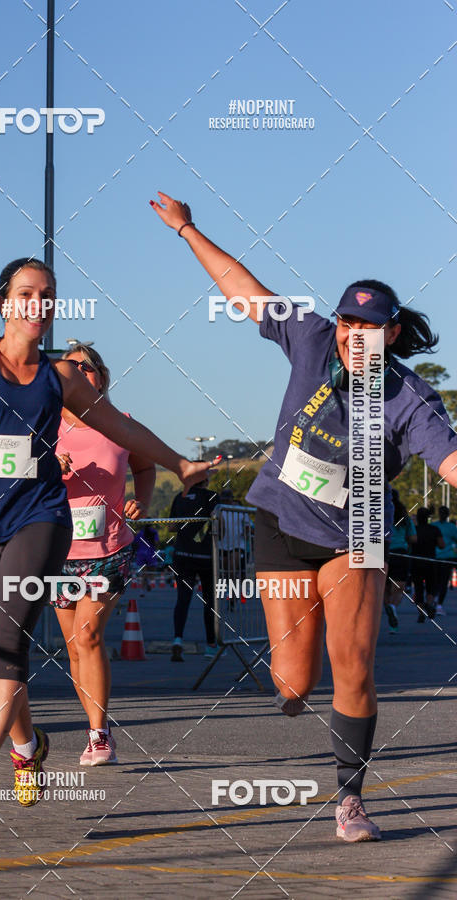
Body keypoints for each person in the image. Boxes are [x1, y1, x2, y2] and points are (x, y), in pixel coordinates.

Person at [0, 156, 216, 814]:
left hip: (39, 521)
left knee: (10, 639)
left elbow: (126, 434)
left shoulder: (63, 379)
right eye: (28, 293)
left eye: (48, 294)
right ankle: (26, 747)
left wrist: (181, 465)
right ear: (5, 303)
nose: (39, 303)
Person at [151, 190, 457, 842]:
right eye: (348, 322)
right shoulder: (312, 337)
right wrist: (187, 230)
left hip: (355, 538)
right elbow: (247, 291)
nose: (354, 335)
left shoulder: (412, 399)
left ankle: (350, 801)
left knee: (354, 663)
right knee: (293, 682)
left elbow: (451, 464)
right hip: (280, 525)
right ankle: (296, 669)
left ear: (391, 334)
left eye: (369, 327)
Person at [51, 343, 155, 766]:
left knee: (89, 636)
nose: (78, 371)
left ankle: (100, 735)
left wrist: (141, 502)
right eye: (69, 367)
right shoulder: (43, 425)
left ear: (100, 377)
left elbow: (145, 466)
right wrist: (46, 467)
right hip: (57, 549)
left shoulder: (121, 424)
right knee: (75, 648)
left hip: (109, 547)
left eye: (86, 367)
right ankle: (93, 726)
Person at [169, 477, 220, 661]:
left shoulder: (179, 496)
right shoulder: (213, 496)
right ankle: (211, 645)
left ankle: (177, 640)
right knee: (209, 601)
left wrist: (186, 528)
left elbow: (172, 526)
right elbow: (219, 523)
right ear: (206, 480)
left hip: (182, 554)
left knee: (182, 599)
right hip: (206, 555)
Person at [384, 490, 416, 632]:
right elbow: (413, 538)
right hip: (401, 553)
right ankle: (393, 607)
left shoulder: (378, 513)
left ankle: (388, 610)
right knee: (399, 587)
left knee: (384, 587)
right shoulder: (404, 517)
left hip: (382, 552)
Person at [412, 508, 444, 622]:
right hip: (430, 562)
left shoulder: (414, 530)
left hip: (416, 562)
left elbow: (409, 543)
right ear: (428, 518)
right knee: (431, 586)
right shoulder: (434, 529)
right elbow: (442, 545)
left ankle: (421, 611)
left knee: (418, 587)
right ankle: (429, 604)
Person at [432, 505, 457, 615]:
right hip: (447, 557)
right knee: (443, 582)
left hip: (435, 557)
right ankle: (439, 605)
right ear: (447, 515)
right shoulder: (452, 527)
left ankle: (435, 601)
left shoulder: (434, 525)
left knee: (435, 581)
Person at [132, 523, 160, 595]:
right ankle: (149, 583)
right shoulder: (154, 532)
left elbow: (135, 543)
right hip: (150, 553)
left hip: (141, 554)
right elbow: (156, 542)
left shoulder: (140, 533)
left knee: (143, 573)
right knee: (151, 571)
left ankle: (142, 590)